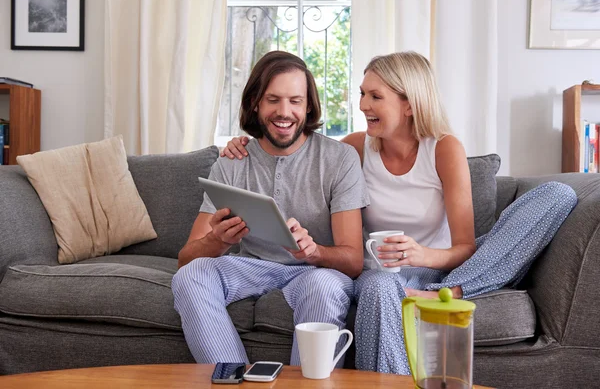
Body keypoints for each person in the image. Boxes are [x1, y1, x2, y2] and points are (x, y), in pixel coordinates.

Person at [221, 51, 578, 374]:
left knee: (557, 194)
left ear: (409, 104)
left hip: (438, 267)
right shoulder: (355, 148)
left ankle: (452, 291)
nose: (363, 105)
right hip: (381, 274)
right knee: (378, 287)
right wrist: (248, 145)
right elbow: (301, 150)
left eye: (376, 96)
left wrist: (422, 254)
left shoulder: (443, 148)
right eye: (362, 93)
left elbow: (465, 247)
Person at [171, 50, 369, 366]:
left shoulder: (339, 159)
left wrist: (315, 252)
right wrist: (219, 241)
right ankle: (233, 379)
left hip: (315, 271)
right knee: (191, 276)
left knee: (323, 286)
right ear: (256, 103)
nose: (284, 111)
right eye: (273, 99)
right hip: (252, 268)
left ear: (308, 106)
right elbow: (185, 259)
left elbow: (354, 260)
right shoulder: (232, 162)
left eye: (295, 100)